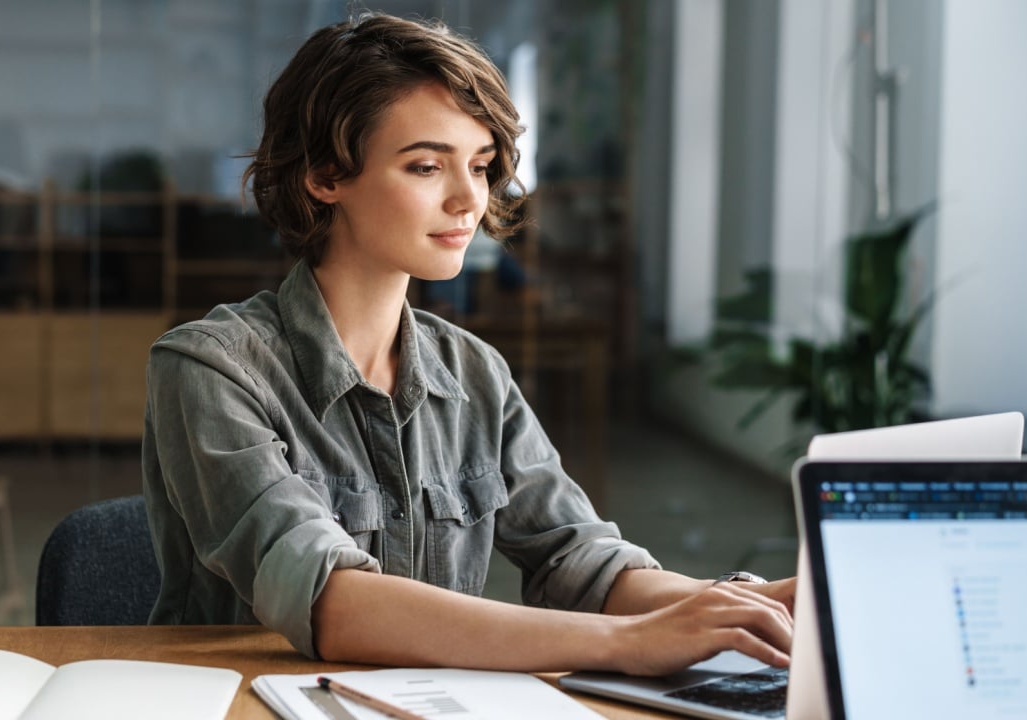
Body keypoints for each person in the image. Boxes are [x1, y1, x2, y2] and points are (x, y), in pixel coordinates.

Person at [142, 11, 796, 677]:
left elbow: (582, 562)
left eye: (480, 166)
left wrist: (751, 607)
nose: (469, 200)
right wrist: (629, 643)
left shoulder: (475, 372)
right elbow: (332, 601)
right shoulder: (209, 368)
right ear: (325, 175)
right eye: (427, 166)